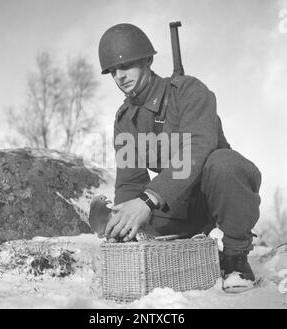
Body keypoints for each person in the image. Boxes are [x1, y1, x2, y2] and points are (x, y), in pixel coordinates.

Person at [97, 23, 262, 291]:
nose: (119, 76)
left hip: (217, 193)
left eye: (126, 66)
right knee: (133, 228)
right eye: (113, 71)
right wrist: (125, 224)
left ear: (148, 60)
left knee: (225, 164)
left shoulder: (189, 91)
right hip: (176, 202)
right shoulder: (125, 120)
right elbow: (130, 180)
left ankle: (235, 255)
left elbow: (198, 146)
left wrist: (147, 200)